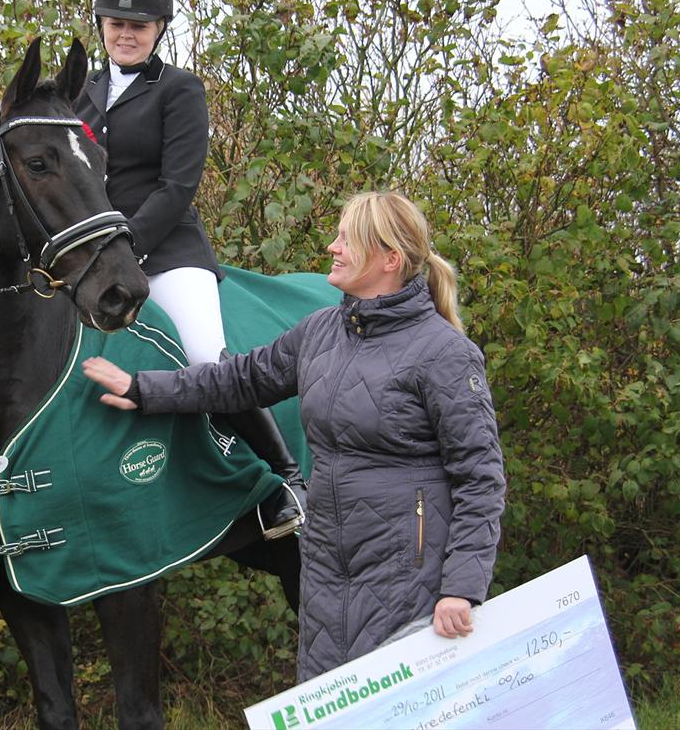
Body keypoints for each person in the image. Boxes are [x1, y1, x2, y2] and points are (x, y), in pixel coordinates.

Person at [83, 191, 507, 680]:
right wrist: (141, 388)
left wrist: (461, 587)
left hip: (408, 575)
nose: (333, 247)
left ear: (390, 259)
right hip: (325, 568)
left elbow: (481, 480)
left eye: (349, 240)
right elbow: (237, 380)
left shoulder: (445, 354)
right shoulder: (321, 331)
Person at [75, 0, 305, 539]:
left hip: (166, 250)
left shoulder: (178, 89)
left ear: (159, 30)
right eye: (116, 22)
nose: (125, 34)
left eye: (140, 25)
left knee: (205, 354)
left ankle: (284, 480)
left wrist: (124, 246)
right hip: (88, 259)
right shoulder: (80, 93)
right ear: (99, 23)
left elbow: (177, 186)